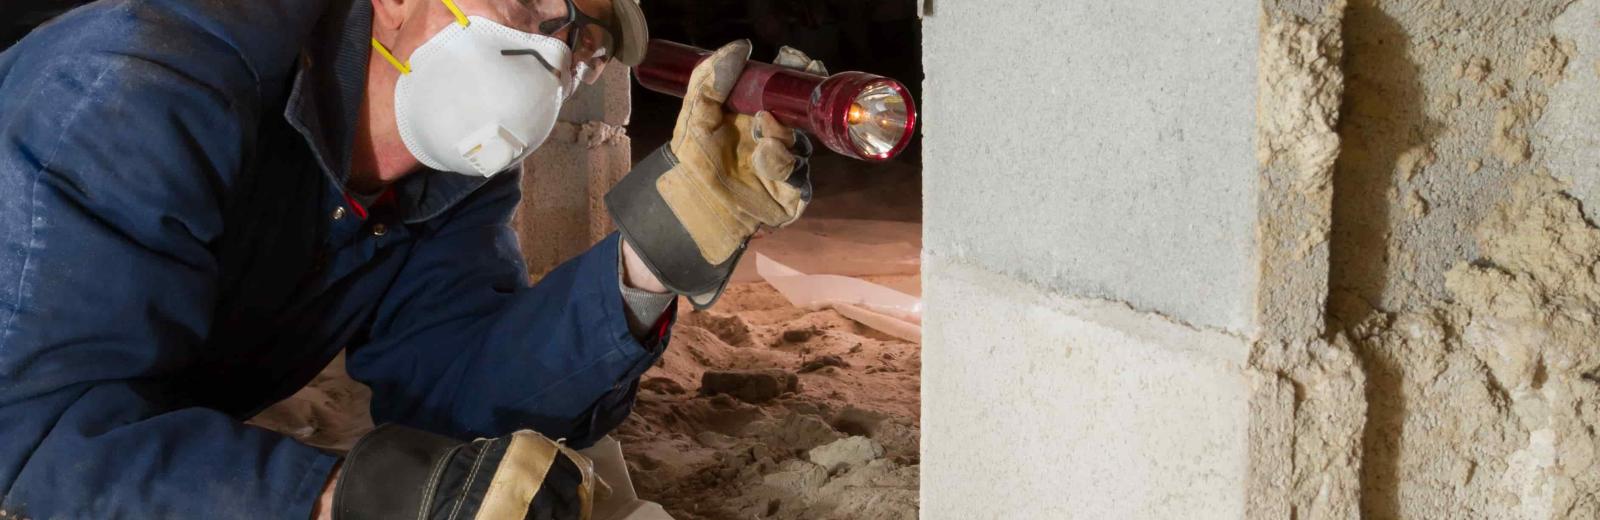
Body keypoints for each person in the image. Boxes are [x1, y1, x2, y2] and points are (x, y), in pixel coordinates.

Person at [0, 0, 814, 517]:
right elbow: (36, 440)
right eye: (531, 4)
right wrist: (343, 495)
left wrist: (654, 255)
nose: (556, 59)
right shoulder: (140, 87)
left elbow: (461, 392)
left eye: (584, 39)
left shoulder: (449, 177)